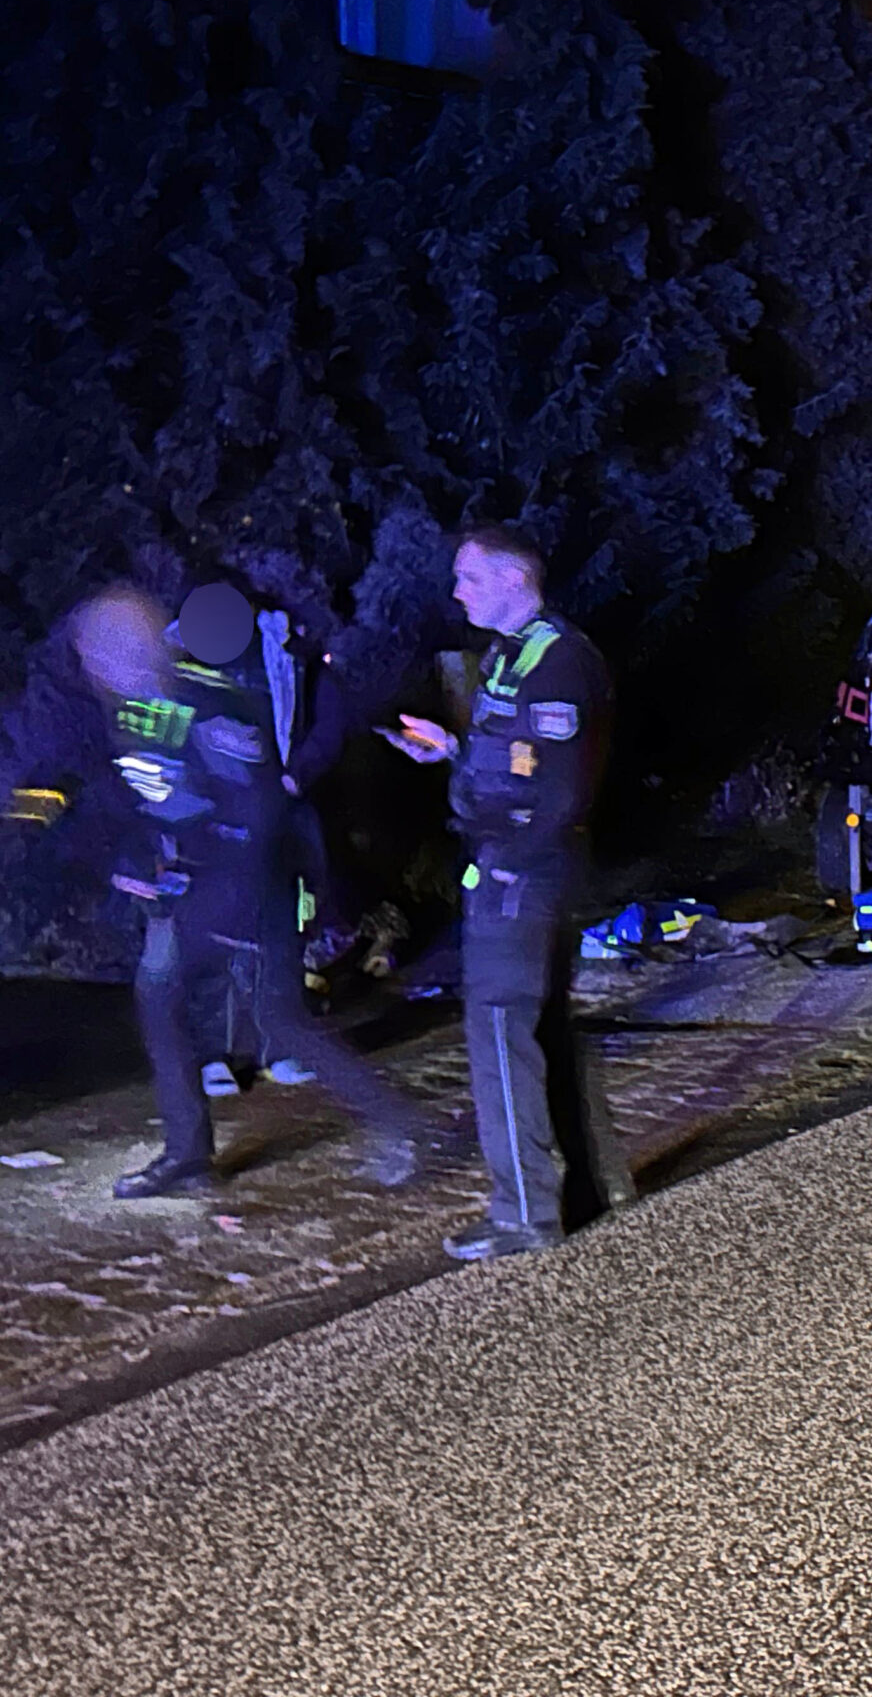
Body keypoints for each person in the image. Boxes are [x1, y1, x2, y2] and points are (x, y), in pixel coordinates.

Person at [71, 584, 423, 1200]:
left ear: (135, 645)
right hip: (193, 883)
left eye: (99, 652)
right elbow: (140, 795)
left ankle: (405, 1128)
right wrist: (136, 863)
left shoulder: (209, 702)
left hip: (253, 882)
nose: (92, 669)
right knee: (164, 997)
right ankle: (187, 1155)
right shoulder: (129, 707)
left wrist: (223, 906)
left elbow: (258, 811)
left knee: (277, 1022)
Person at [382, 527, 628, 1260]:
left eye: (470, 578)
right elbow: (512, 760)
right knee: (537, 1031)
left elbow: (559, 789)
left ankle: (523, 1212)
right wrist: (450, 751)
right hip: (514, 864)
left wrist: (509, 866)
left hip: (521, 873)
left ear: (515, 578)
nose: (457, 591)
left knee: (498, 1034)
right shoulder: (510, 656)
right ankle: (591, 1190)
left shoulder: (558, 662)